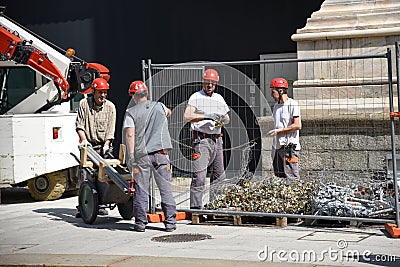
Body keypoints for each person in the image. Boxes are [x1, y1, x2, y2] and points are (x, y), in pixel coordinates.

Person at [124, 80, 176, 232]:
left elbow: (129, 134)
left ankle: (140, 223)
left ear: (133, 96)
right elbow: (169, 112)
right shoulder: (159, 106)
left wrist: (131, 155)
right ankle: (170, 223)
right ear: (146, 93)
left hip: (142, 157)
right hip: (161, 154)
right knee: (166, 189)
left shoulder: (131, 113)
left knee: (141, 190)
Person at [183, 68, 230, 209]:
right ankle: (196, 208)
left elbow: (227, 118)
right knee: (200, 176)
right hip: (201, 140)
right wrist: (206, 116)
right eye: (207, 83)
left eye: (212, 83)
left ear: (215, 84)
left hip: (217, 140)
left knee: (219, 175)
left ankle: (215, 206)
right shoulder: (196, 97)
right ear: (203, 82)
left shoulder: (219, 98)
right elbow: (187, 116)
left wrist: (222, 118)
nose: (209, 86)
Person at [75, 77, 116, 217]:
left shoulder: (110, 107)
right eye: (100, 92)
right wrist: (84, 140)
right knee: (86, 176)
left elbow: (111, 130)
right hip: (89, 145)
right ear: (93, 91)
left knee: (103, 177)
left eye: (105, 92)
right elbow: (79, 125)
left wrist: (106, 145)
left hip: (104, 146)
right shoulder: (84, 104)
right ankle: (83, 207)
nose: (102, 96)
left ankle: (101, 205)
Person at [267, 77, 301, 179]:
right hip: (278, 146)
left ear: (280, 91)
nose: (271, 95)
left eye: (273, 92)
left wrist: (279, 131)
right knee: (279, 175)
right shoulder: (276, 106)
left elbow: (297, 125)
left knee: (292, 175)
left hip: (290, 147)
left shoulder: (293, 104)